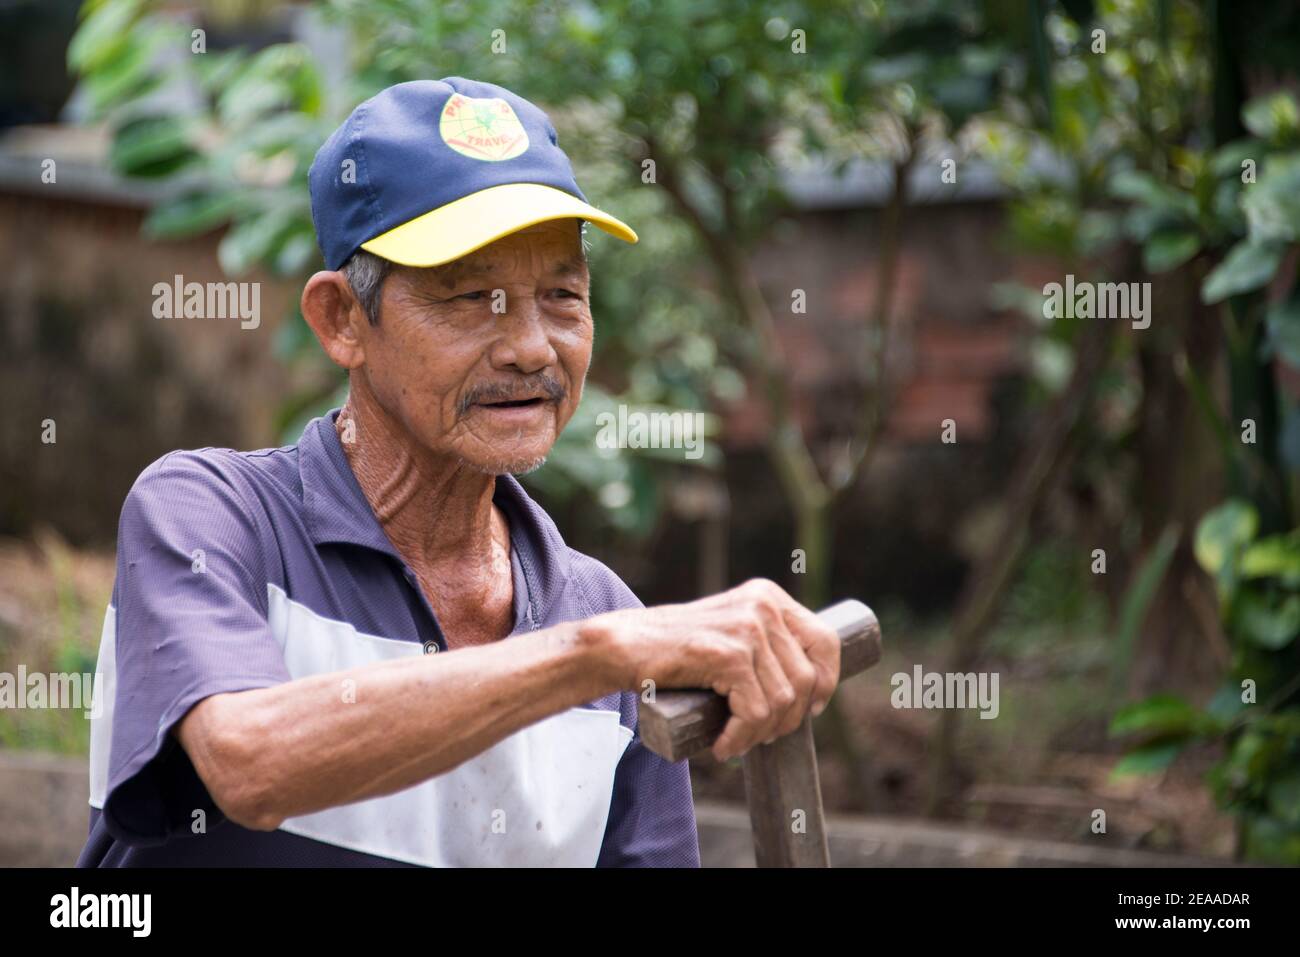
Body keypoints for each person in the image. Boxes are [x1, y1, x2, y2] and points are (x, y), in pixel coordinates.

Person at [77, 77, 840, 867]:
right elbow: (248, 762)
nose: (534, 347)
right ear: (342, 320)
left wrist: (607, 650)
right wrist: (594, 655)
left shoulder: (606, 617)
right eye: (474, 296)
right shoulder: (210, 517)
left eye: (562, 294)